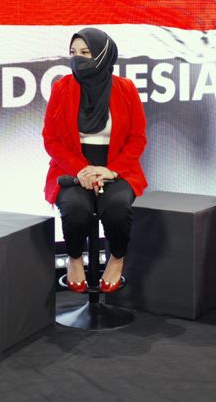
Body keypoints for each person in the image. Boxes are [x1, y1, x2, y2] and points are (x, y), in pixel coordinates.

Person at [42, 28, 147, 293]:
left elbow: (137, 139)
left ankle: (117, 258)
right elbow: (51, 139)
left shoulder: (126, 89)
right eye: (73, 52)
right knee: (76, 209)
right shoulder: (62, 88)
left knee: (117, 209)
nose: (77, 58)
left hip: (117, 168)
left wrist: (111, 171)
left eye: (86, 52)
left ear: (103, 54)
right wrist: (82, 170)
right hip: (72, 167)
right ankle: (74, 258)